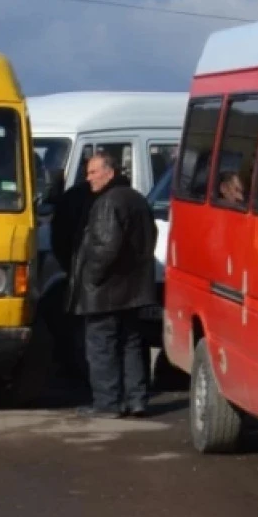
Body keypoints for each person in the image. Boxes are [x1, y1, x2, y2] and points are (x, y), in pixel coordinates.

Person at [67, 153, 158, 419]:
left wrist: (91, 278)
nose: (88, 178)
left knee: (102, 346)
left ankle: (107, 403)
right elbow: (150, 237)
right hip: (133, 290)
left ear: (110, 172)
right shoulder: (136, 198)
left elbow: (105, 247)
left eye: (93, 172)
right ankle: (136, 400)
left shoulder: (107, 202)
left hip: (106, 292)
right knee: (131, 343)